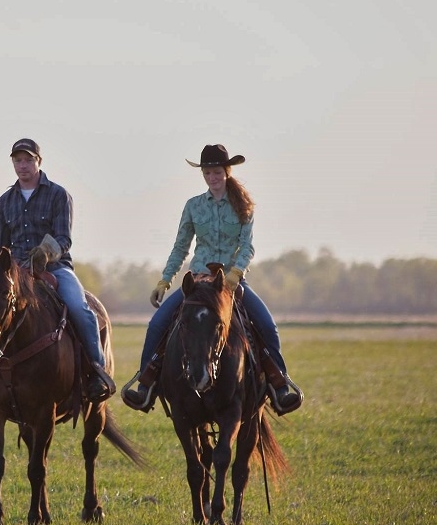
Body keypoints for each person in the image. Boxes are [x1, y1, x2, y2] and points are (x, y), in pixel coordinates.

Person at [121, 144, 303, 416]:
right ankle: (146, 384)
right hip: (197, 282)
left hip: (231, 283)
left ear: (226, 172)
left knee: (267, 325)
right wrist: (165, 280)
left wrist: (234, 274)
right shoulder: (193, 206)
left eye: (216, 172)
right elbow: (181, 246)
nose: (212, 177)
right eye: (207, 172)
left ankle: (279, 385)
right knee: (157, 323)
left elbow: (248, 246)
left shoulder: (244, 206)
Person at [0, 137, 114, 402]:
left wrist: (45, 253)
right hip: (13, 273)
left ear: (38, 162)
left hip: (55, 268)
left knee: (80, 308)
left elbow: (64, 239)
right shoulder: (5, 201)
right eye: (17, 161)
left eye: (28, 160)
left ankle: (96, 372)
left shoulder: (58, 195)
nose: (22, 166)